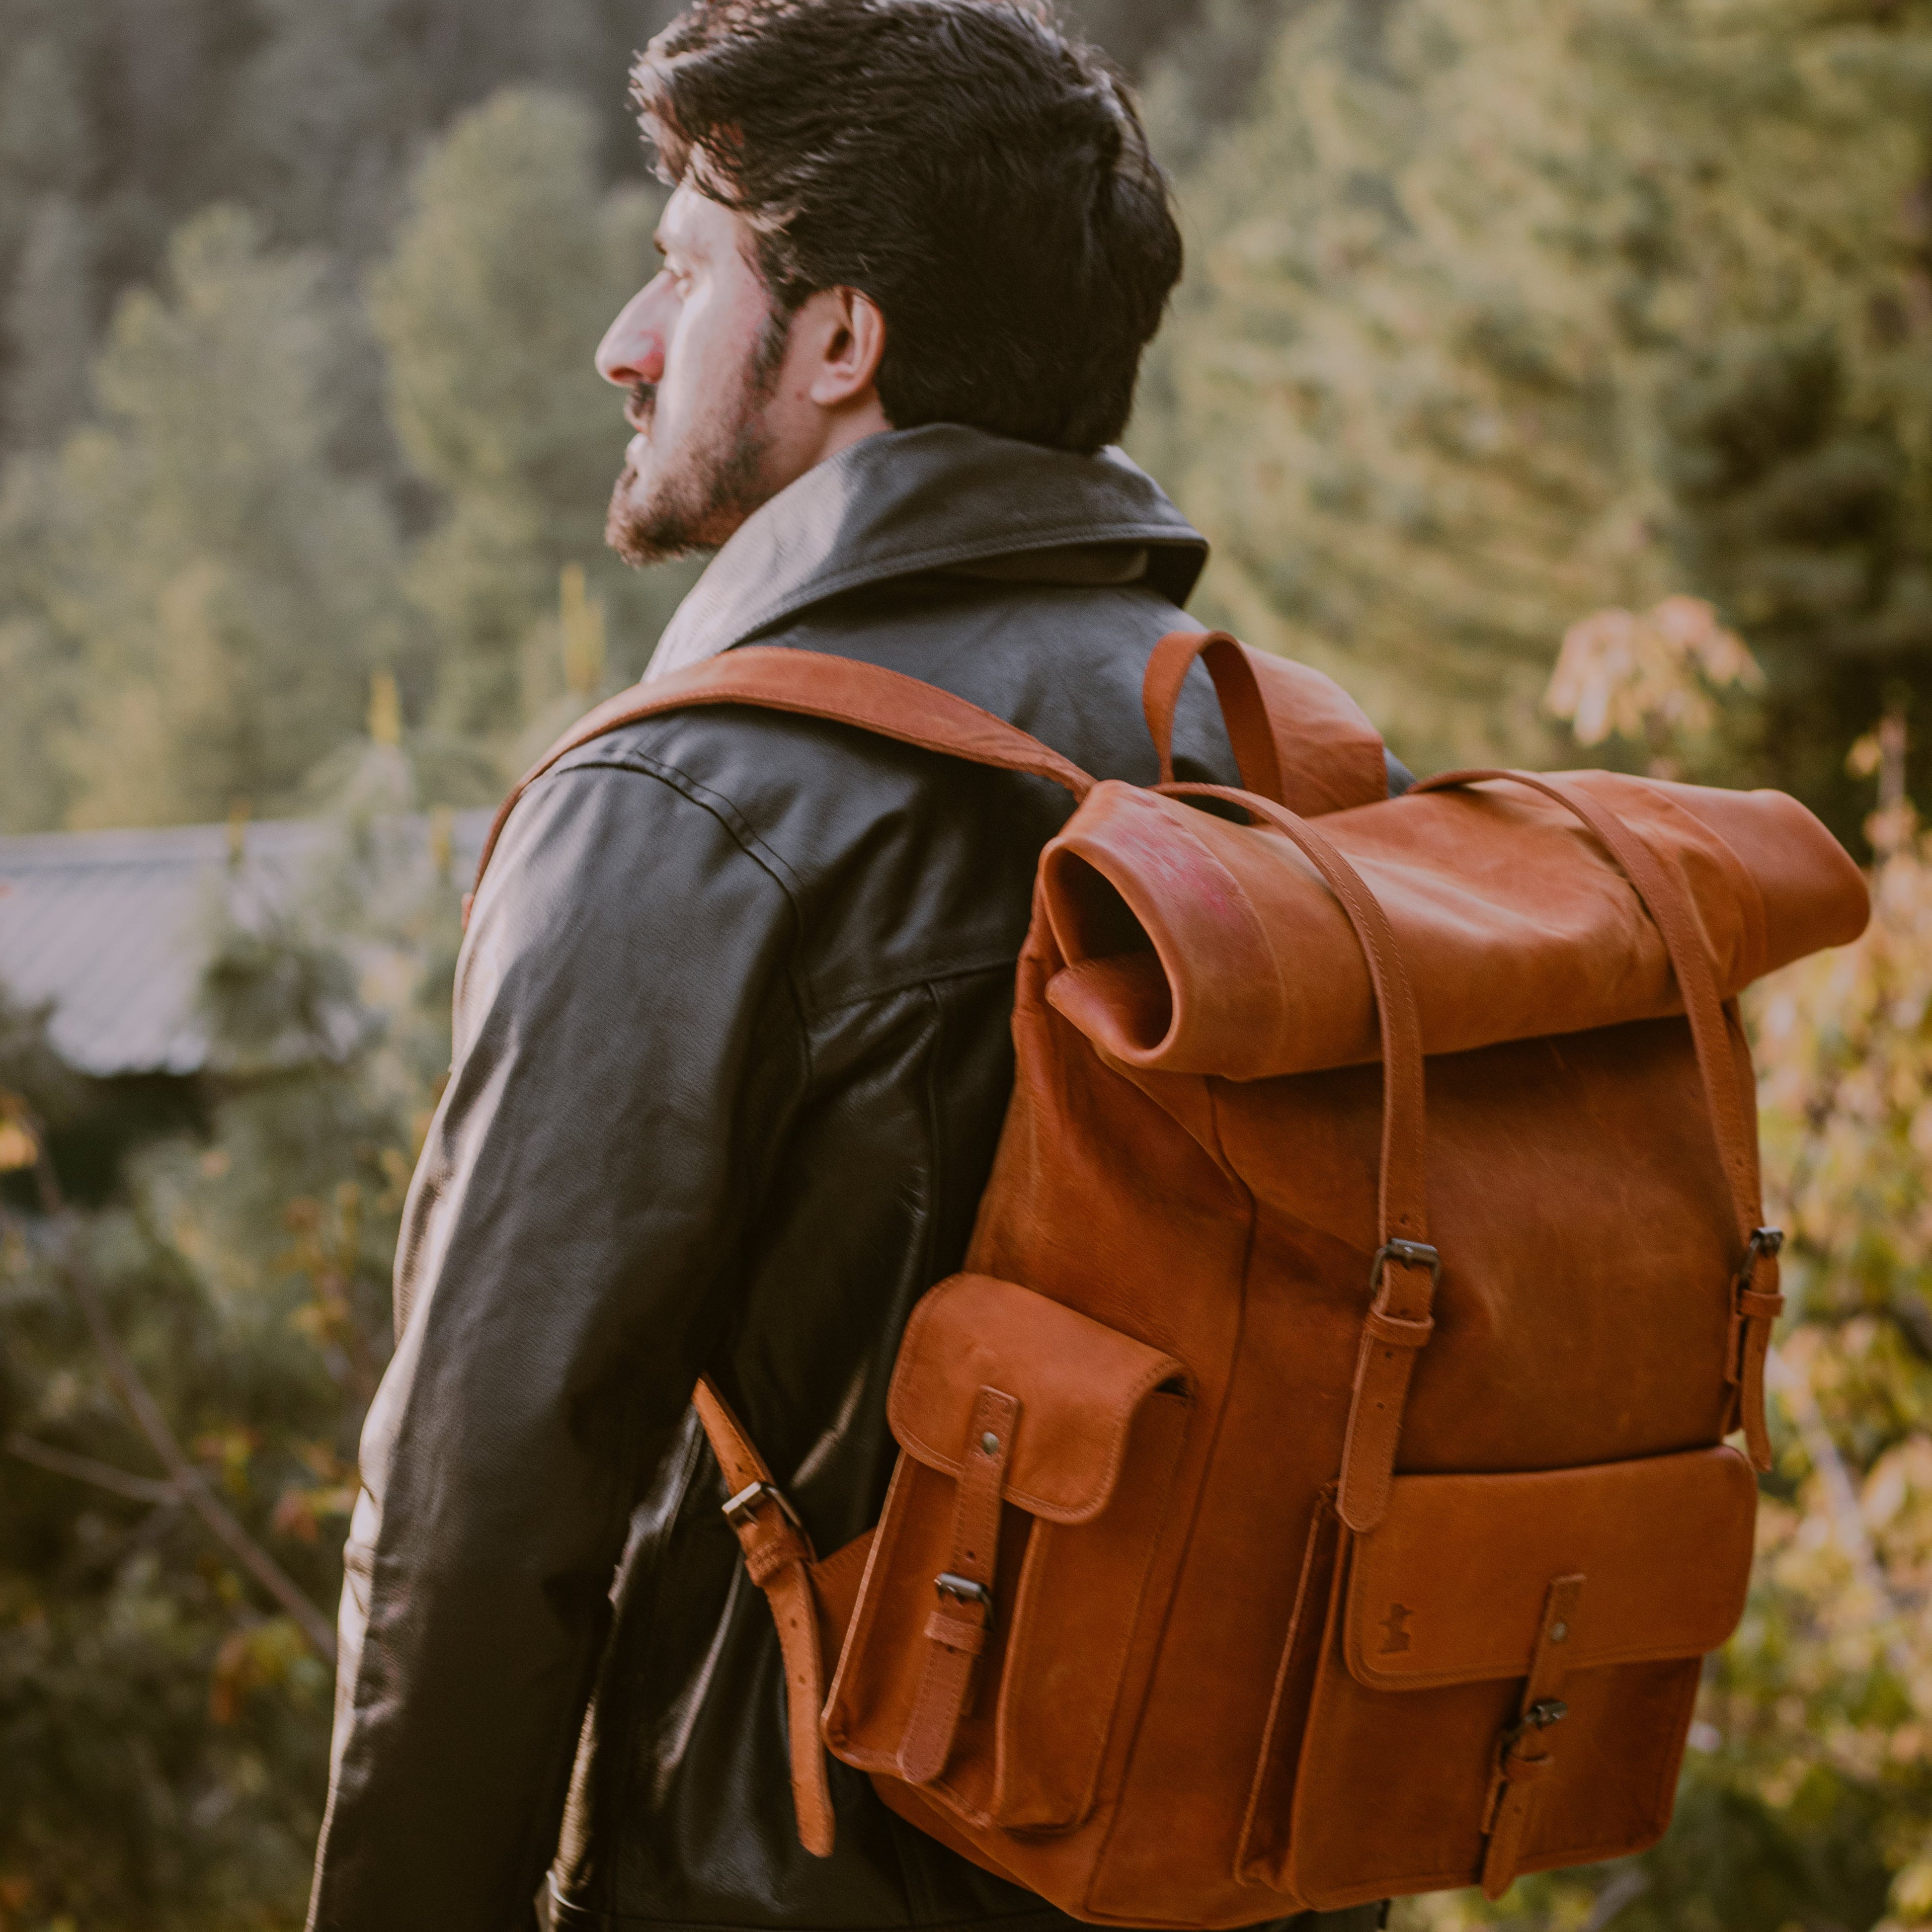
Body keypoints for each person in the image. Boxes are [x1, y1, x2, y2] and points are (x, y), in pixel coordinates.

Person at [306, 4, 1401, 1928]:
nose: (622, 345)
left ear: (836, 338)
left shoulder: (681, 805)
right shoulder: (1299, 766)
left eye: (681, 270)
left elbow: (478, 1527)